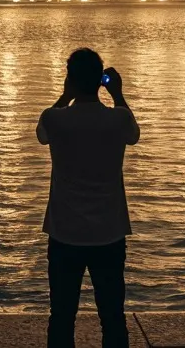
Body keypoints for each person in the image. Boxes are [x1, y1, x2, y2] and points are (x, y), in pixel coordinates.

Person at [37, 48, 140, 348]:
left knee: (61, 316)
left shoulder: (55, 120)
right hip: (108, 234)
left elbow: (41, 133)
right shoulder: (118, 119)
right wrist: (118, 94)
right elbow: (133, 134)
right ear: (100, 81)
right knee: (112, 316)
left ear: (70, 79)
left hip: (64, 233)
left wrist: (64, 95)